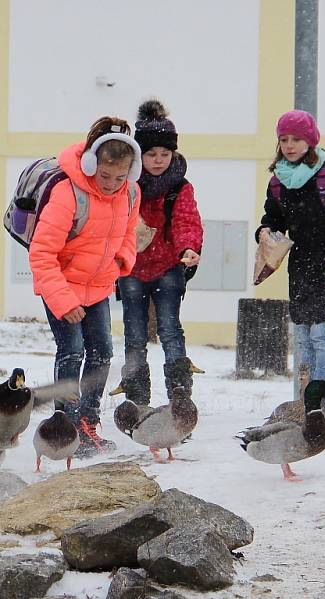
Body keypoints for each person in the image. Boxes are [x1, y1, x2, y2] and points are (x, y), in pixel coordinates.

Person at [29, 116, 141, 458]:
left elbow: (128, 233)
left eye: (120, 177)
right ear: (92, 163)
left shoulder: (131, 192)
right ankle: (65, 427)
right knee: (72, 351)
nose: (111, 184)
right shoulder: (68, 194)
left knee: (103, 352)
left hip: (98, 288)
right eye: (105, 175)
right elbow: (42, 253)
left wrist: (123, 258)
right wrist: (63, 301)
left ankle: (88, 422)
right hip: (62, 286)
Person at [256, 109, 325, 399]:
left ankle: (321, 399)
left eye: (296, 139)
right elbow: (273, 219)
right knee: (302, 337)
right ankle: (303, 399)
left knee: (320, 336)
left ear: (310, 142)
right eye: (284, 139)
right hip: (301, 267)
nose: (289, 145)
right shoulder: (278, 180)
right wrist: (264, 231)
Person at [116, 100, 203, 404]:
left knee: (169, 329)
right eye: (151, 154)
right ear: (139, 155)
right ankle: (137, 400)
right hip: (131, 269)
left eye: (165, 154)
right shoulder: (125, 185)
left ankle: (180, 397)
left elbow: (186, 221)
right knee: (135, 335)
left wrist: (189, 247)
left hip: (168, 267)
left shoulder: (180, 187)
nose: (158, 160)